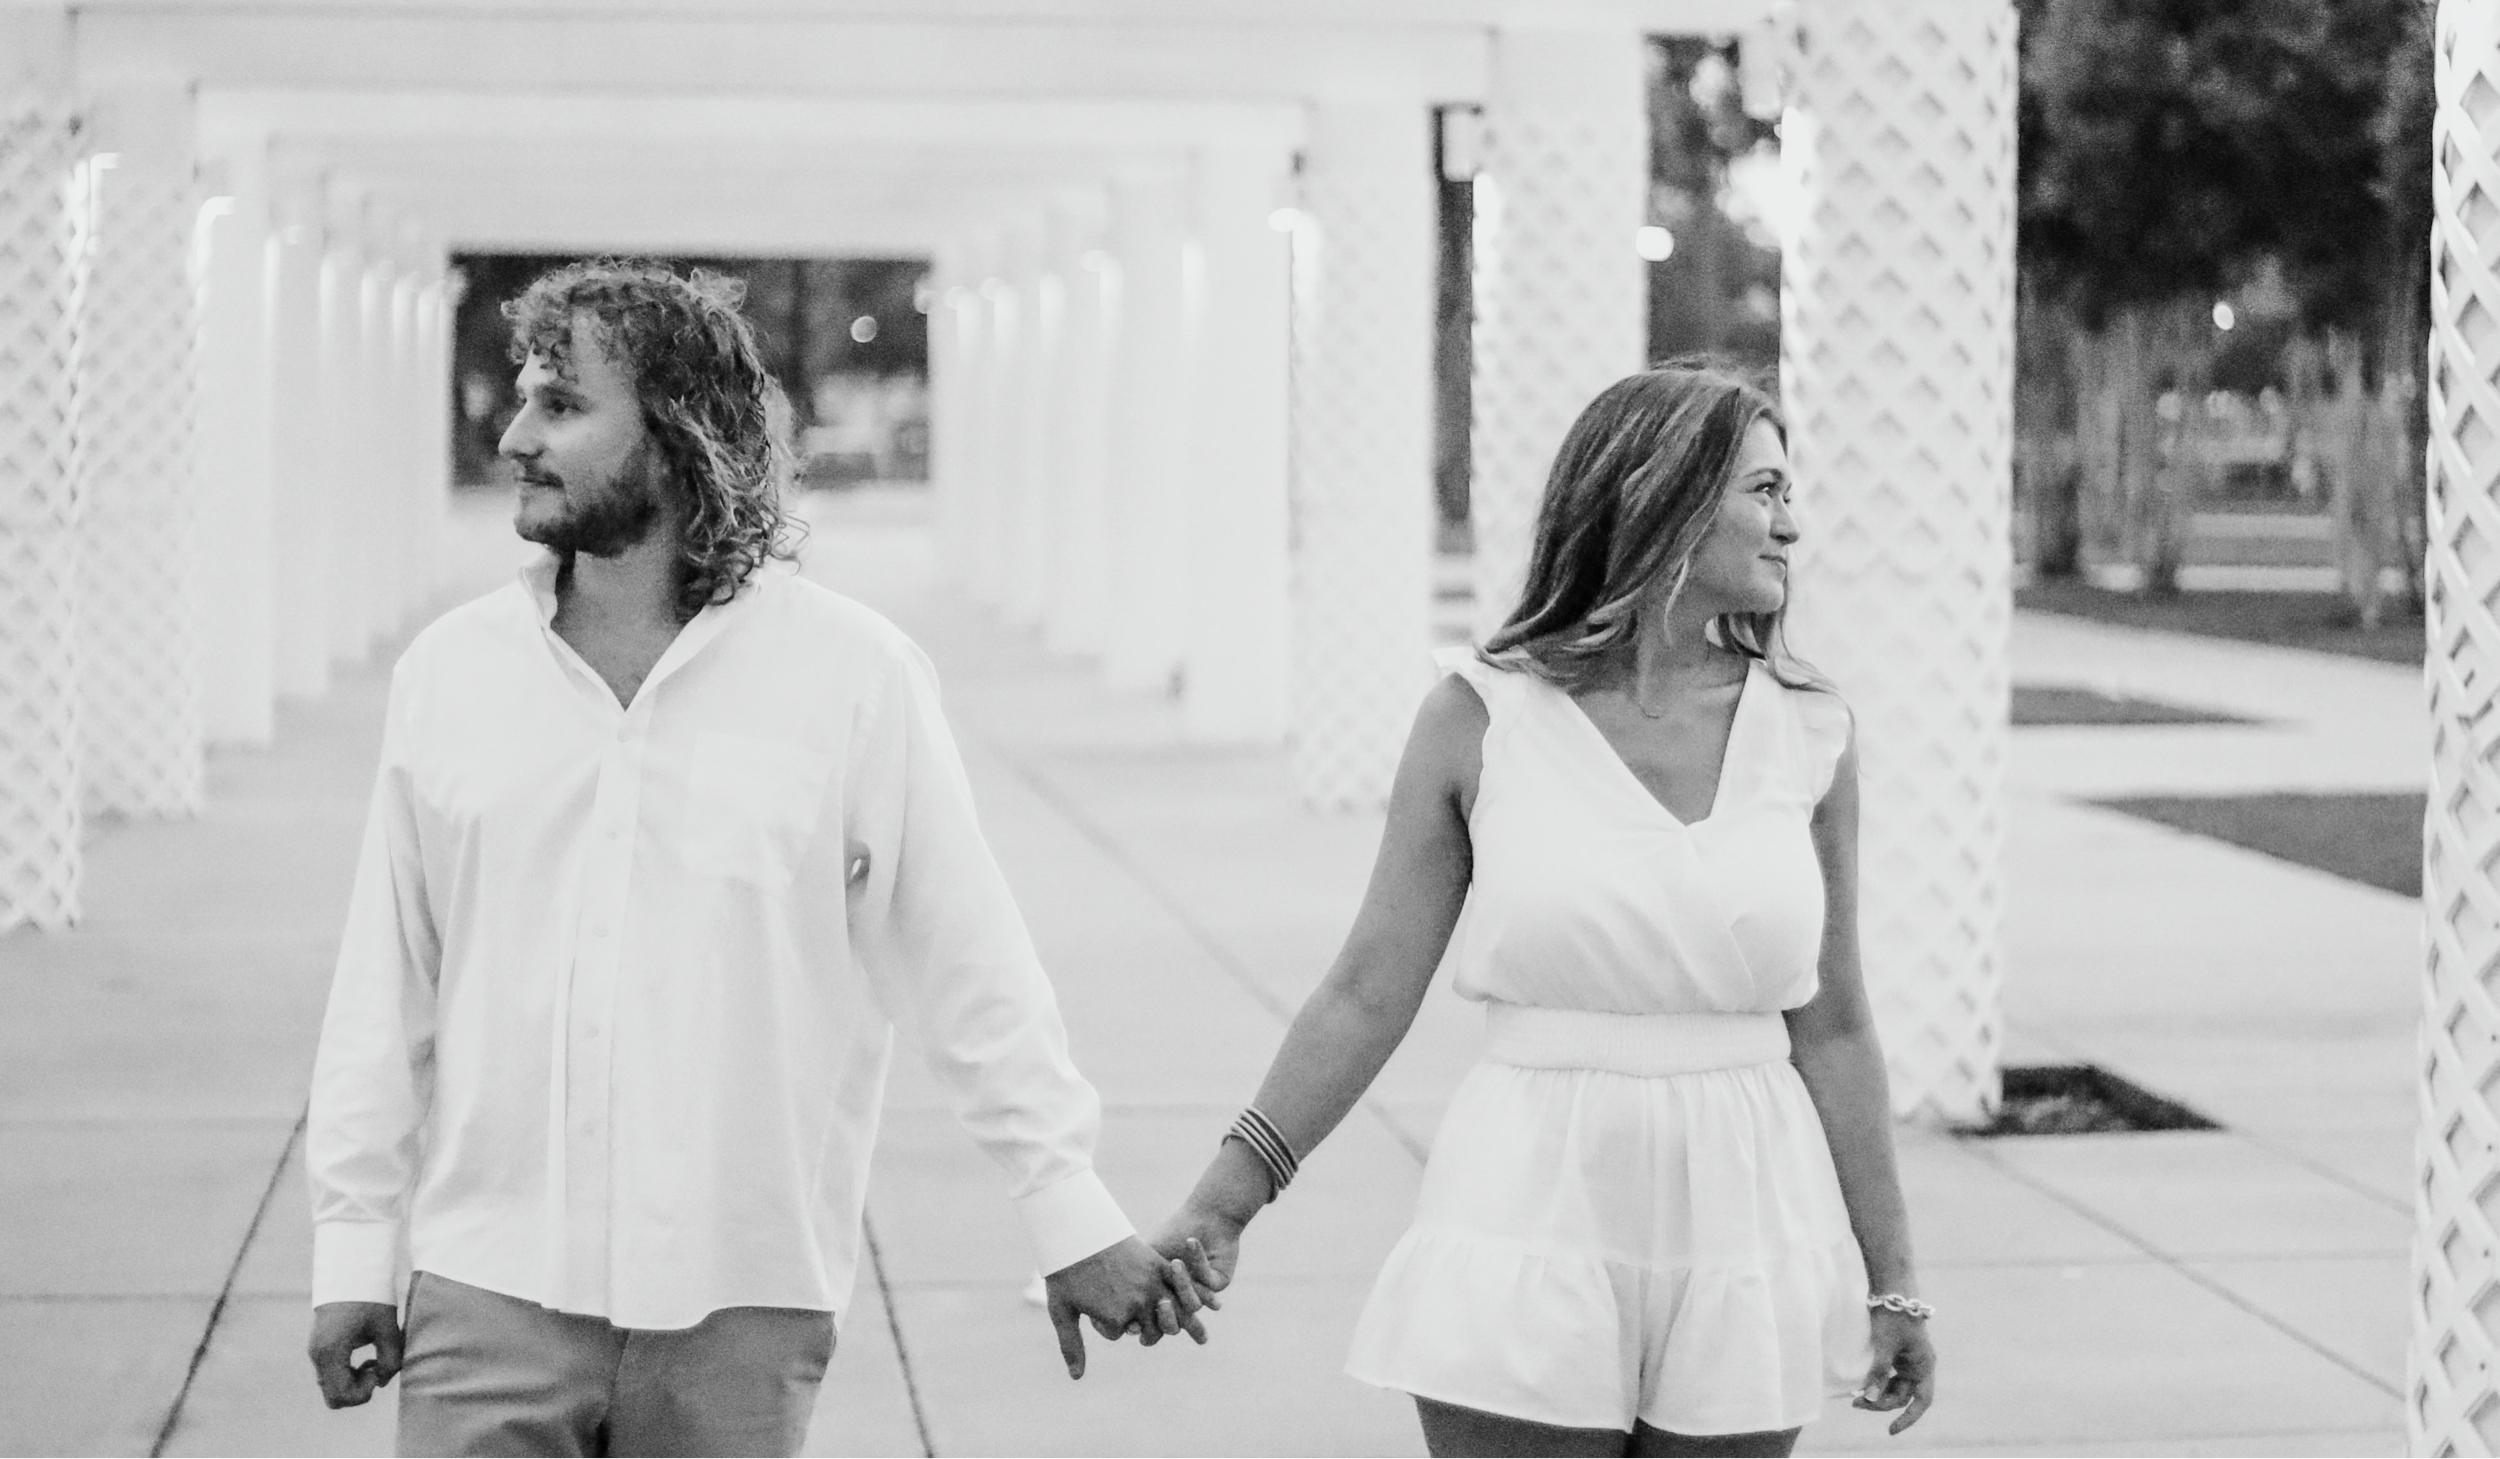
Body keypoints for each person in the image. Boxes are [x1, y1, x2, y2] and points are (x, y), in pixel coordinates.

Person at [303, 259, 1208, 1457]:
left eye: (561, 406)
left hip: (740, 1298)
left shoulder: (852, 677)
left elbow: (965, 958)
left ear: (679, 434)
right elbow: (386, 989)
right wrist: (352, 1247)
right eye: (524, 400)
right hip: (487, 1282)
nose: (515, 436)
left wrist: (1066, 1210)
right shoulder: (450, 677)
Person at [1151, 363, 1936, 1457]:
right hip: (1528, 1196)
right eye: (1764, 490)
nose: (1791, 525)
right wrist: (1224, 1200)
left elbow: (1836, 1024)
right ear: (1662, 497)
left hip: (1748, 1211)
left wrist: (1894, 1282)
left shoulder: (1809, 731)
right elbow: (1366, 992)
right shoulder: (1480, 718)